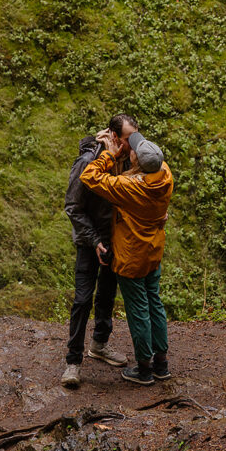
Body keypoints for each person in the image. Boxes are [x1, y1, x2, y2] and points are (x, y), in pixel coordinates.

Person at [80, 130, 173, 386]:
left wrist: (109, 155)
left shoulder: (129, 187)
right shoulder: (164, 174)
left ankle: (144, 368)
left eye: (133, 150)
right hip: (153, 251)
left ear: (136, 162)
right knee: (155, 302)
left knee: (139, 311)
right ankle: (161, 363)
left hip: (132, 257)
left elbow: (89, 177)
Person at [61, 113, 139, 389]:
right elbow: (73, 207)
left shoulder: (127, 158)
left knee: (106, 294)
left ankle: (99, 344)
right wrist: (94, 241)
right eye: (129, 139)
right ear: (115, 137)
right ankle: (73, 362)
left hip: (114, 236)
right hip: (89, 241)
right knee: (83, 299)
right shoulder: (88, 162)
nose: (135, 144)